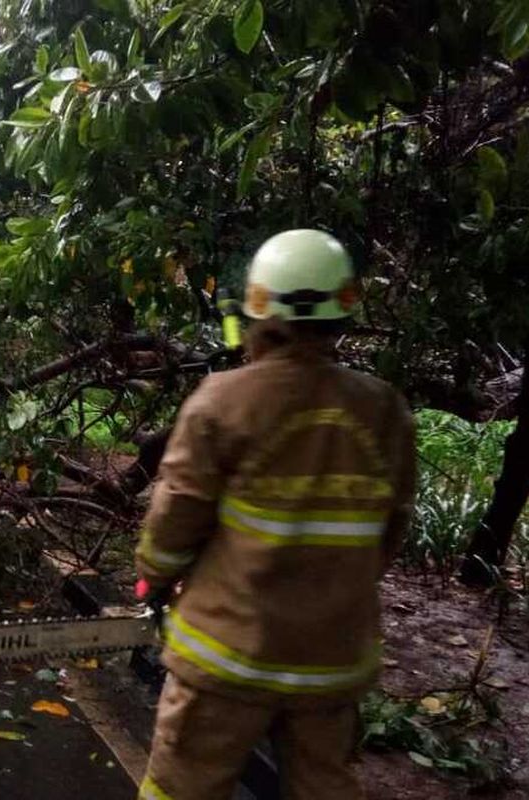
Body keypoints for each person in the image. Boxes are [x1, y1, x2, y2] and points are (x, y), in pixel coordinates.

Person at [134, 230, 416, 800]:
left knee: (181, 785)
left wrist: (154, 579)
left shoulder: (222, 400)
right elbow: (389, 532)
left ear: (258, 313)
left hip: (228, 656)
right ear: (342, 314)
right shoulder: (383, 409)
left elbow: (176, 517)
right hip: (332, 662)